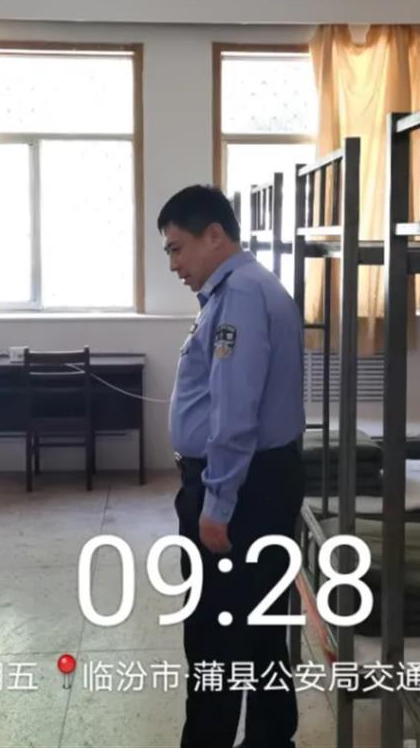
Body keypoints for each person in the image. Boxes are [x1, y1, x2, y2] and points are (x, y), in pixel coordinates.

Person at [159, 185, 305, 748]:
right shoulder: (243, 288)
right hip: (262, 479)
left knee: (215, 635)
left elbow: (234, 413)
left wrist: (216, 502)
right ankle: (272, 737)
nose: (174, 265)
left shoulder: (240, 295)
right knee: (261, 623)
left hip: (241, 489)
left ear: (214, 235)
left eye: (177, 249)